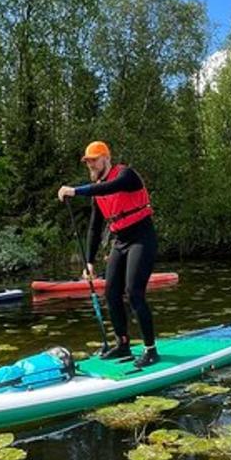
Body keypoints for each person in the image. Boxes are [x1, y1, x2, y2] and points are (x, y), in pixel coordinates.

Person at [58, 141, 160, 368]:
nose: (91, 165)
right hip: (121, 241)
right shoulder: (98, 191)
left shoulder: (126, 175)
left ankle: (151, 349)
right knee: (111, 292)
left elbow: (109, 187)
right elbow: (94, 228)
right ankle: (122, 343)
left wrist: (76, 191)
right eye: (88, 161)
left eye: (94, 160)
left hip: (142, 239)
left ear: (106, 158)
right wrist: (89, 261)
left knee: (133, 292)